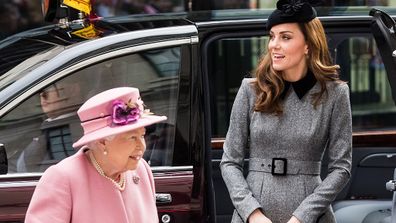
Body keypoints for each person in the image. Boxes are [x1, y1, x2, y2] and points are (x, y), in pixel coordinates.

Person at [220, 1, 352, 223]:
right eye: (272, 36)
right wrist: (252, 213)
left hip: (310, 213)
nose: (274, 45)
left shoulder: (335, 94)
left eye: (286, 37)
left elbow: (342, 168)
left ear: (308, 44)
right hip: (253, 214)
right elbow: (229, 162)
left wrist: (302, 217)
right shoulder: (251, 90)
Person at [25, 87, 167, 223]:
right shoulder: (63, 178)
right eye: (132, 138)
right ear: (102, 142)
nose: (141, 146)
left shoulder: (141, 169)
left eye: (142, 135)